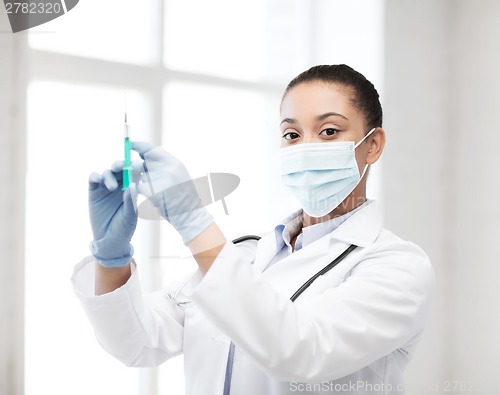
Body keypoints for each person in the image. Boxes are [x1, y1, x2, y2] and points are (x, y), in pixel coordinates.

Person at [72, 64, 434, 395]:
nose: (305, 147)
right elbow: (137, 341)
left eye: (328, 131)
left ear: (372, 145)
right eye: (291, 134)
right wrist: (111, 257)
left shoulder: (397, 267)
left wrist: (193, 220)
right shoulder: (246, 254)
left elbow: (302, 351)